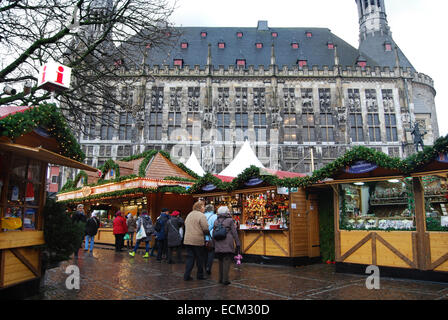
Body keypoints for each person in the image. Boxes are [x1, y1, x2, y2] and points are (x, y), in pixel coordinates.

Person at [213, 206, 241, 285]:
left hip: (218, 244)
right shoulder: (230, 220)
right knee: (226, 261)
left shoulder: (216, 221)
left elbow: (213, 233)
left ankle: (220, 279)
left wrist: (214, 244)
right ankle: (225, 279)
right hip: (227, 244)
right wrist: (238, 243)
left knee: (220, 261)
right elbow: (234, 233)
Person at [183, 201, 210, 281]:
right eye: (203, 206)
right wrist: (208, 233)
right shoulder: (201, 216)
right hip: (197, 240)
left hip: (188, 240)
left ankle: (186, 275)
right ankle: (200, 274)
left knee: (190, 258)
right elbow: (205, 228)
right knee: (199, 258)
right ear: (200, 207)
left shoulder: (189, 214)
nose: (204, 208)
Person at [203, 204, 217, 275]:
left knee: (204, 253)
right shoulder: (215, 216)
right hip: (211, 237)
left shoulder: (202, 216)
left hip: (202, 237)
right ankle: (208, 267)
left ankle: (204, 267)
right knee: (211, 253)